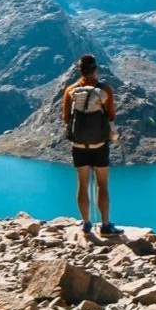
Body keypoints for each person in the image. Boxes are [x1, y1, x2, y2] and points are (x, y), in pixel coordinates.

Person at [61, 53, 118, 236]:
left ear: (80, 70)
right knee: (102, 184)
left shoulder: (71, 90)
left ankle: (86, 224)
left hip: (78, 146)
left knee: (82, 184)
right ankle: (106, 225)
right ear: (95, 70)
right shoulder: (105, 90)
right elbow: (110, 115)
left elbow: (66, 118)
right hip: (99, 145)